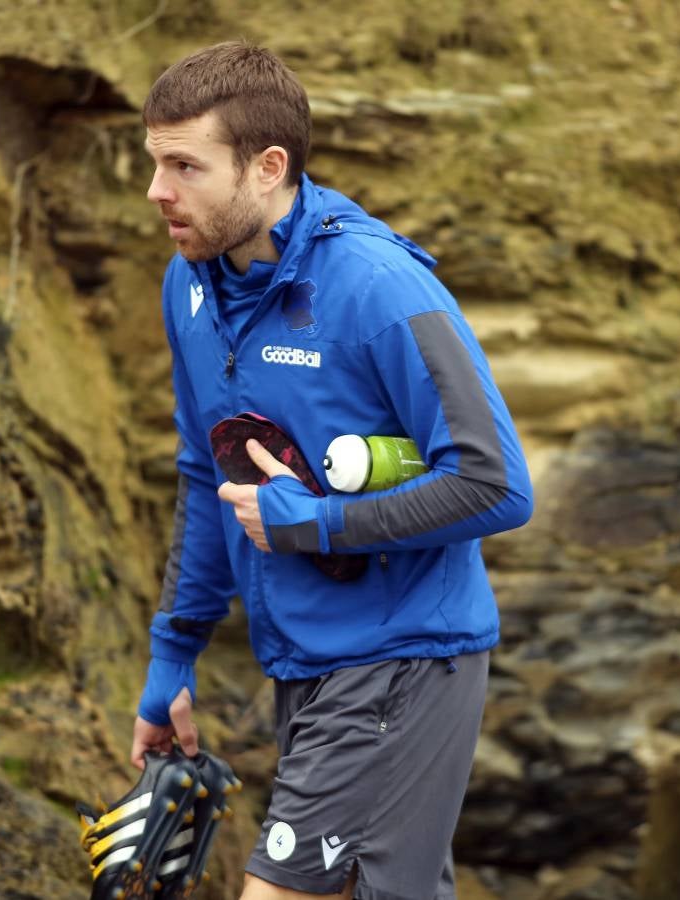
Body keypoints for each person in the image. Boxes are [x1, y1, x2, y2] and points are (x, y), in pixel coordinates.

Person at [131, 41, 533, 900]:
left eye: (185, 167)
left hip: (400, 661)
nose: (158, 191)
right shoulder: (189, 285)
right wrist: (174, 655)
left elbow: (496, 483)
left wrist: (318, 526)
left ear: (268, 167)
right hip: (302, 665)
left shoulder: (379, 287)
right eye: (156, 163)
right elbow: (206, 475)